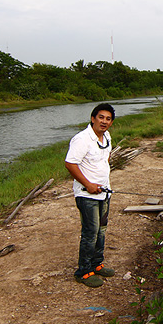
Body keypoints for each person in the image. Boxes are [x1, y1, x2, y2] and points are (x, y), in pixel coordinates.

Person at [65, 103, 117, 287]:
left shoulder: (106, 137)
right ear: (93, 118)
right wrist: (88, 184)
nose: (104, 121)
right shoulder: (81, 139)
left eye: (108, 119)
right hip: (87, 195)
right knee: (90, 232)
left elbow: (106, 157)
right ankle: (83, 271)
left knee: (101, 231)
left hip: (104, 192)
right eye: (101, 117)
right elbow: (70, 164)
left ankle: (97, 264)